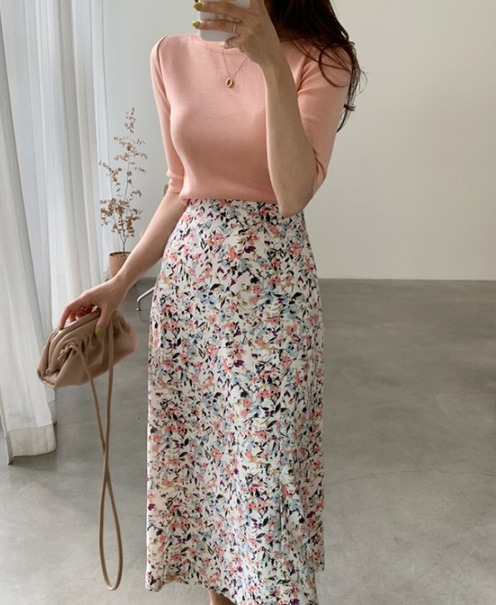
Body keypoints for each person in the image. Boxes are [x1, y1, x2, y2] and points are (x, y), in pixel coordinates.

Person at [60, 1, 362, 603]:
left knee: (265, 476)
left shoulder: (322, 60)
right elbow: (180, 186)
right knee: (208, 475)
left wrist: (272, 64)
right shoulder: (170, 55)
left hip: (273, 298)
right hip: (191, 297)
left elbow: (293, 191)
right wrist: (120, 284)